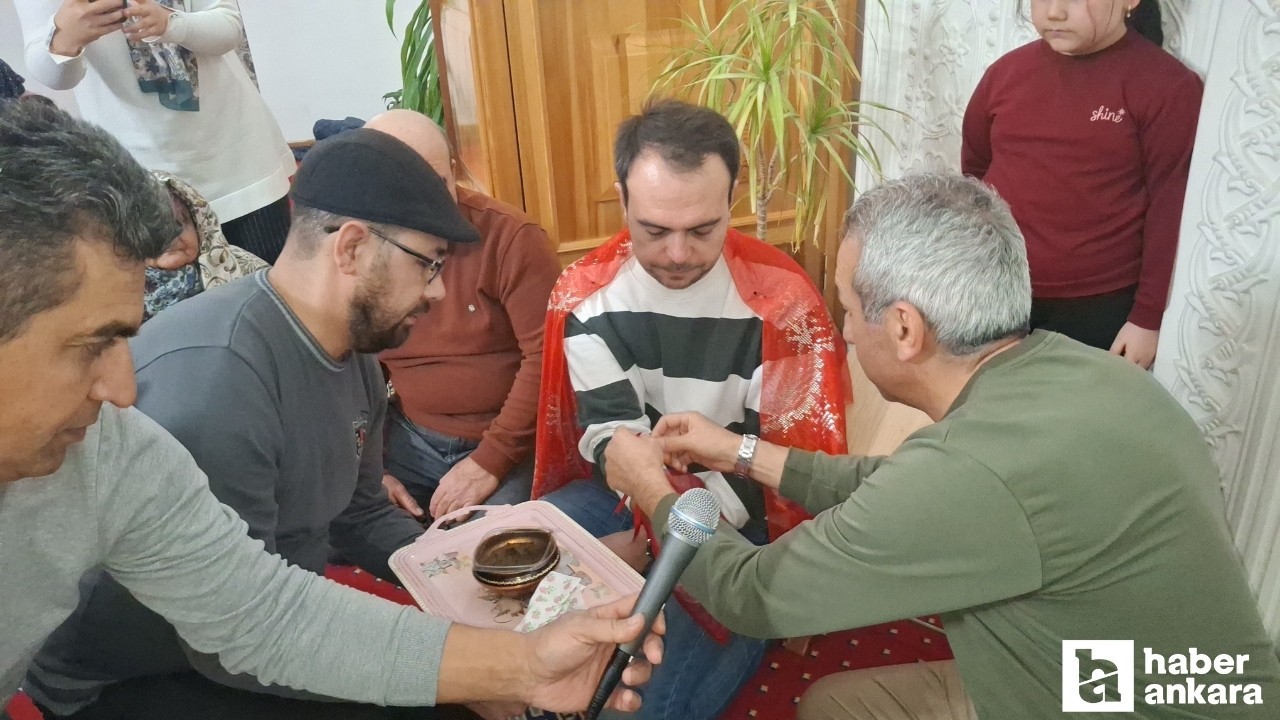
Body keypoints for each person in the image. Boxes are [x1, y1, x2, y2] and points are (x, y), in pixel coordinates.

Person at [0, 99, 661, 720]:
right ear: (350, 248)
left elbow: (328, 545)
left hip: (247, 630)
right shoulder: (217, 384)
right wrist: (480, 672)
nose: (123, 390)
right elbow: (230, 642)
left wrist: (487, 601)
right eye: (428, 264)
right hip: (140, 677)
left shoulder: (354, 358)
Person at [604, 172, 1280, 720]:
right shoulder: (1083, 369)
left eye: (847, 308)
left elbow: (751, 595)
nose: (844, 332)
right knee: (836, 704)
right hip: (1160, 681)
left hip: (1116, 697)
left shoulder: (974, 471)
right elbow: (899, 485)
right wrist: (739, 452)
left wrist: (651, 487)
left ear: (904, 329)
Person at [534, 99, 851, 720]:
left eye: (703, 230)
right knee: (515, 570)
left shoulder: (783, 305)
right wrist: (644, 511)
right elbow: (608, 436)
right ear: (622, 200)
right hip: (627, 498)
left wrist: (658, 540)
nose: (678, 254)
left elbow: (783, 474)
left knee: (639, 700)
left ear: (732, 200)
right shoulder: (587, 297)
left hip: (740, 517)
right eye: (655, 230)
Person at [961, 0, 1203, 368]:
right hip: (996, 288)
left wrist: (1146, 318)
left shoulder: (1166, 86)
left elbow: (1169, 207)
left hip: (1097, 307)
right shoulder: (1006, 73)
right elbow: (975, 176)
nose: (1054, 12)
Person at [371, 110, 561, 521]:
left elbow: (548, 357)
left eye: (436, 183)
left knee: (491, 543)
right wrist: (370, 467)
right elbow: (348, 367)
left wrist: (491, 460)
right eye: (401, 188)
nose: (424, 204)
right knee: (357, 524)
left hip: (509, 441)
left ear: (455, 172)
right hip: (408, 435)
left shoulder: (511, 238)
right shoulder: (357, 245)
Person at [15, 0, 295, 262]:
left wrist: (170, 23)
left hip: (238, 156)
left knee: (271, 282)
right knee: (182, 295)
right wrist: (65, 38)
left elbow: (228, 26)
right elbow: (54, 75)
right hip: (142, 173)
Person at [143, 171, 268, 320]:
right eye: (154, 230)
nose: (170, 238)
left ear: (199, 225)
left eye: (177, 224)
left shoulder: (243, 266)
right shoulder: (123, 290)